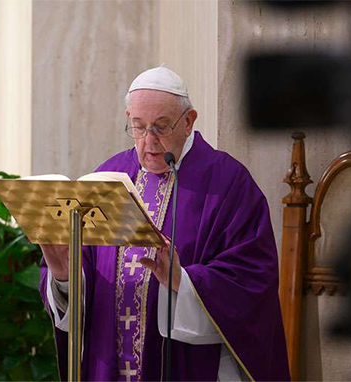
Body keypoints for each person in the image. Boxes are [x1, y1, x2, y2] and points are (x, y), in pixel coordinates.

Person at [39, 66, 290, 381]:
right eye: (138, 127)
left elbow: (252, 281)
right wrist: (63, 273)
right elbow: (83, 282)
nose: (149, 141)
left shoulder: (228, 183)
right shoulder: (107, 177)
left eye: (160, 126)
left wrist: (182, 281)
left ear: (188, 122)